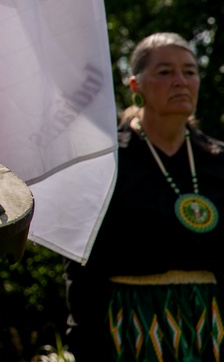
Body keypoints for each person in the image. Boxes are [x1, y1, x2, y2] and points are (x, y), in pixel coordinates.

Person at [64, 32, 224, 361]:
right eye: (165, 72)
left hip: (212, 326)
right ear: (135, 86)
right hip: (128, 327)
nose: (180, 81)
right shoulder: (107, 161)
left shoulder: (217, 160)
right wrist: (84, 342)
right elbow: (82, 267)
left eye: (190, 71)